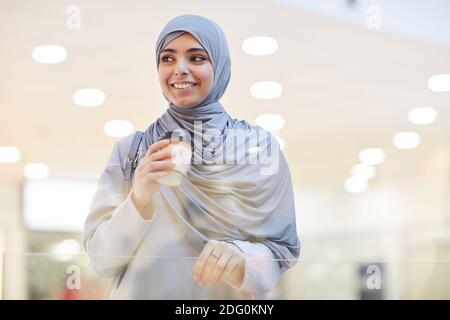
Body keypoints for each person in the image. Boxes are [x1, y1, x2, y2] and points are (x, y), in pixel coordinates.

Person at [83, 14, 300, 300]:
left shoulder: (259, 148)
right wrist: (139, 197)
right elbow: (101, 261)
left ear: (219, 65)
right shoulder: (132, 151)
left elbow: (282, 252)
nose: (179, 70)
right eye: (167, 59)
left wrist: (241, 256)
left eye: (196, 58)